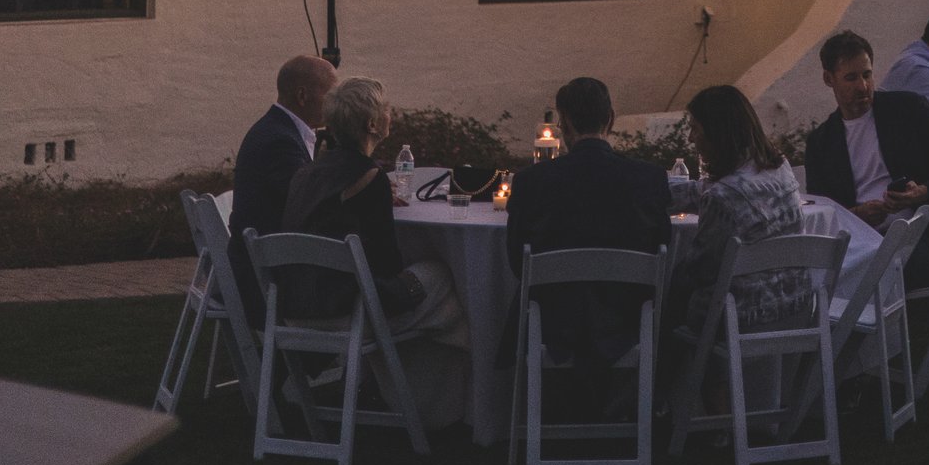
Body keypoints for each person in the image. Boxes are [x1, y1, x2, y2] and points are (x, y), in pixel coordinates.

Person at [505, 77, 672, 372]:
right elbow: (662, 253)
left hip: (553, 324)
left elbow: (517, 263)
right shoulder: (650, 179)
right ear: (610, 119)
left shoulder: (532, 181)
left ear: (564, 122)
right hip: (627, 321)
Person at [278, 77, 461, 338]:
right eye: (386, 110)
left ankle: (378, 374)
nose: (391, 115)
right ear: (372, 124)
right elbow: (387, 261)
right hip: (346, 312)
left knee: (442, 308)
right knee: (441, 273)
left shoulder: (306, 172)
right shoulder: (369, 177)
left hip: (294, 308)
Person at [804, 31, 929, 289]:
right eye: (850, 77)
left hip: (921, 236)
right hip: (859, 242)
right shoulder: (822, 141)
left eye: (867, 74)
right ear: (829, 79)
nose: (862, 86)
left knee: (875, 270)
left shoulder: (907, 109)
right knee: (816, 275)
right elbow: (824, 208)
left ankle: (867, 325)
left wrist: (923, 192)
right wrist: (856, 215)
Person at [666, 85, 809, 337]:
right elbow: (704, 190)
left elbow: (698, 271)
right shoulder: (780, 169)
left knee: (662, 296)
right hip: (795, 309)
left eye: (695, 129)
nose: (689, 138)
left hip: (739, 319)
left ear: (717, 134)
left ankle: (659, 373)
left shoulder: (722, 197)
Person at [229, 54, 337, 325]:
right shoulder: (280, 141)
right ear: (303, 95)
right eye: (332, 95)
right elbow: (309, 206)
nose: (337, 104)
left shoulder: (277, 129)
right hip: (270, 283)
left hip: (262, 268)